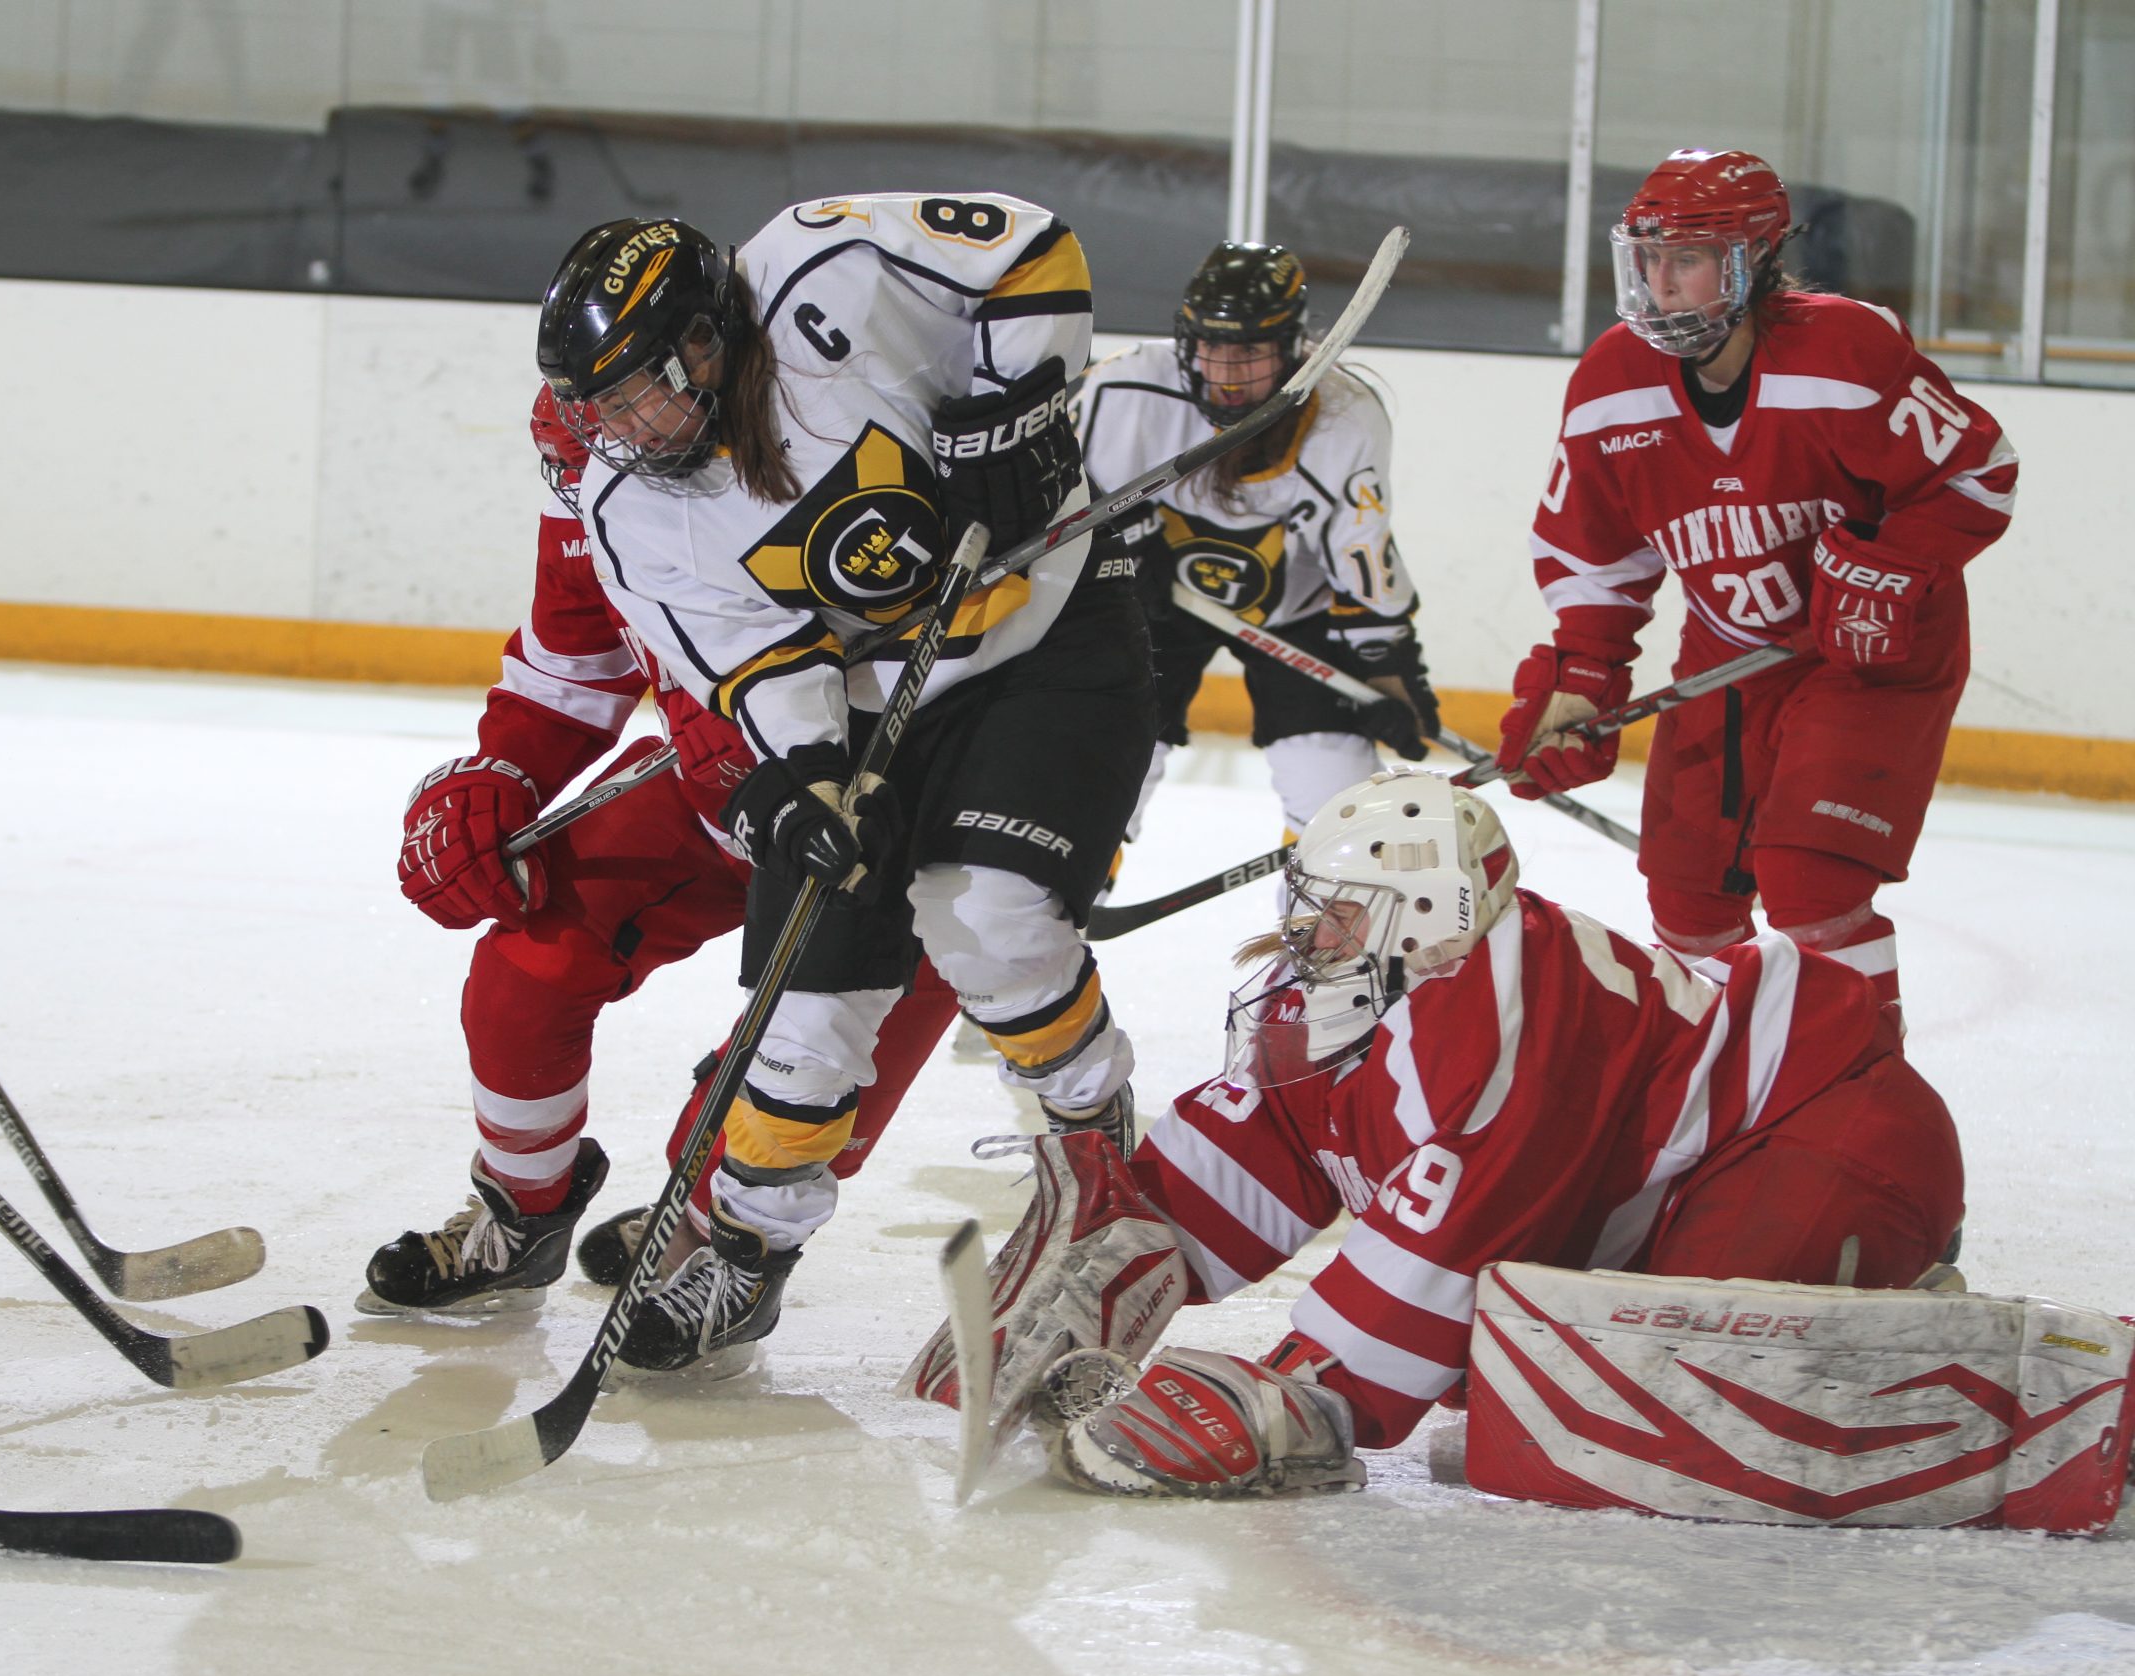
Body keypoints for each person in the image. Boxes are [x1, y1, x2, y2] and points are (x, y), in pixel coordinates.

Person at [914, 769, 1987, 1508]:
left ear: (1426, 914)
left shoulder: (1501, 1009)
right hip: (1702, 1185)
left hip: (1830, 1145)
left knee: (1654, 1407)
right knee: (1520, 1375)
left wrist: (1304, 1389)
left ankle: (1895, 1335)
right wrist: (1132, 1246)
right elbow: (1271, 1144)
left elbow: (1448, 1235)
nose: (1307, 936)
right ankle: (1824, 1306)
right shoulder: (1353, 994)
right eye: (1312, 904)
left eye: (1342, 912)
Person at [535, 196, 1157, 1371]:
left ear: (706, 340)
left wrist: (1007, 419)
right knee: (806, 1000)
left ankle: (1095, 1164)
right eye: (605, 408)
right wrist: (802, 781)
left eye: (641, 389)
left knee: (990, 920)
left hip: (1050, 639)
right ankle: (746, 1251)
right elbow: (759, 661)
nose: (628, 427)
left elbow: (1030, 249)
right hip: (875, 700)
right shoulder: (628, 508)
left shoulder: (829, 263)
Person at [362, 386, 958, 1319]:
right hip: (712, 792)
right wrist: (498, 774)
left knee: (795, 1082)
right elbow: (573, 665)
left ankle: (714, 1234)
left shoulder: (804, 466)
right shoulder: (595, 486)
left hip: (882, 837)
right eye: (578, 459)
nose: (590, 480)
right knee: (525, 973)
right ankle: (523, 1211)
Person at [1494, 150, 2018, 1025]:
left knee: (1812, 887)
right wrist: (1583, 671)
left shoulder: (1844, 352)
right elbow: (1594, 553)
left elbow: (1977, 474)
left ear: (1755, 259)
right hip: (1728, 653)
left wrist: (1891, 565)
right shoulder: (1612, 384)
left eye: (1687, 259)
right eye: (1649, 259)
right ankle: (1709, 1117)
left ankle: (1854, 1105)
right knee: (1688, 905)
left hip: (1867, 660)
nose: (1661, 284)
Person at [1078, 240, 1437, 844]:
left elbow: (1361, 552)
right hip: (1145, 605)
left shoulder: (1343, 415)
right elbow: (1058, 504)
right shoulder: (1124, 389)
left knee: (1337, 802)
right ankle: (1060, 911)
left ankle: (1324, 929)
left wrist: (1389, 667)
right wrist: (1119, 550)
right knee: (1097, 773)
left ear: (1293, 345)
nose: (1227, 373)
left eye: (1250, 349)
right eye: (1213, 346)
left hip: (1297, 613)